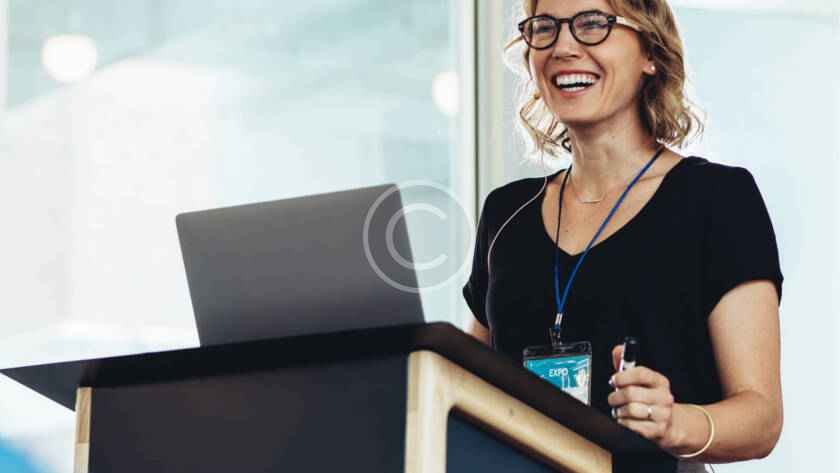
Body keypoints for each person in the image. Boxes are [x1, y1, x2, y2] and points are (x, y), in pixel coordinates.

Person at [461, 1, 783, 471]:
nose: (563, 47)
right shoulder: (506, 213)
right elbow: (464, 389)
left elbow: (761, 418)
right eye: (544, 28)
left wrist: (674, 424)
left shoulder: (717, 199)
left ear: (650, 51)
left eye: (593, 24)